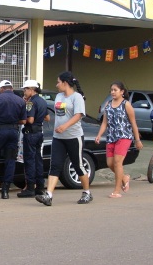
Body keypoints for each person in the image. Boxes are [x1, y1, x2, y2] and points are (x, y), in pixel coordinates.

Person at [35, 71, 92, 206]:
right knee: (55, 165)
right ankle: (48, 195)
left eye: (58, 82)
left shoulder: (76, 97)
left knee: (78, 165)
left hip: (73, 136)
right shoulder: (59, 96)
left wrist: (65, 126)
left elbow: (78, 115)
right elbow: (60, 115)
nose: (57, 85)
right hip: (58, 137)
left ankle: (87, 192)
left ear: (65, 83)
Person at [95, 81, 143, 198]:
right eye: (111, 90)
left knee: (117, 162)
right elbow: (105, 122)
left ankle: (117, 190)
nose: (112, 92)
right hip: (111, 137)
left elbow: (133, 123)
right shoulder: (108, 104)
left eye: (115, 90)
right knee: (110, 163)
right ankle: (124, 177)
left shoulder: (126, 104)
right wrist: (99, 135)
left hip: (124, 136)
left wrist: (137, 140)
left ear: (122, 92)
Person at [17, 80, 50, 198]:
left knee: (29, 160)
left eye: (25, 89)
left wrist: (19, 119)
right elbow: (47, 117)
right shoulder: (42, 101)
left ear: (32, 89)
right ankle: (40, 187)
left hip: (30, 133)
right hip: (39, 132)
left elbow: (29, 120)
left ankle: (30, 187)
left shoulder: (31, 102)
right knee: (38, 159)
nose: (24, 92)